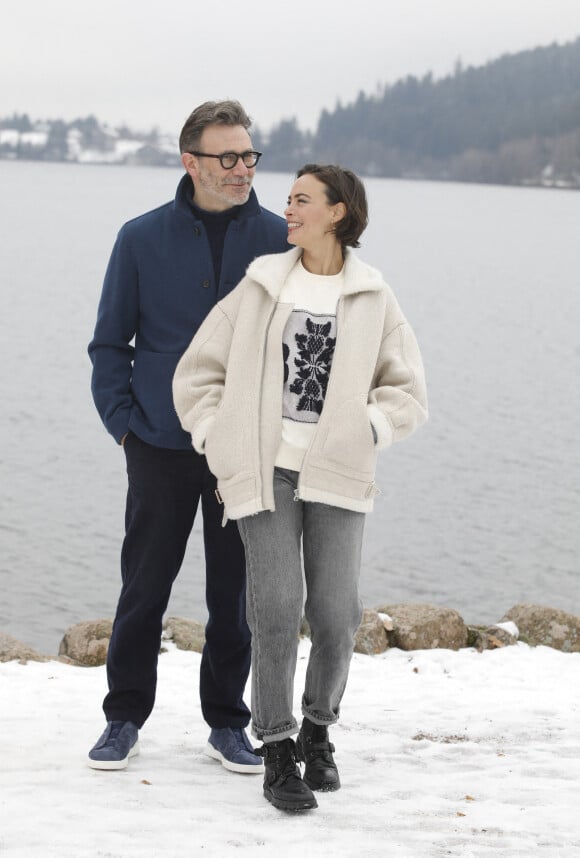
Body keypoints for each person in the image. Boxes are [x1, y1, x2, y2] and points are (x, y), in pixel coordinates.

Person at [172, 163, 428, 811]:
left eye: (303, 200)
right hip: (266, 472)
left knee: (338, 616)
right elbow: (197, 373)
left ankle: (318, 730)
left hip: (339, 474)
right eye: (287, 199)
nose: (288, 209)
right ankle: (277, 747)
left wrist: (369, 426)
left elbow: (408, 391)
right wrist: (214, 435)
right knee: (277, 608)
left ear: (338, 212)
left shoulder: (373, 296)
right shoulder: (261, 287)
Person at [87, 100, 289, 772]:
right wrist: (124, 427)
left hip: (244, 447)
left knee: (234, 593)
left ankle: (228, 723)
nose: (242, 169)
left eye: (249, 156)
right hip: (159, 444)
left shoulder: (281, 239)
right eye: (227, 157)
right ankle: (123, 717)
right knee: (144, 586)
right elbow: (110, 343)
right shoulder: (138, 238)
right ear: (191, 161)